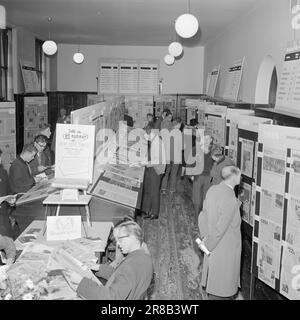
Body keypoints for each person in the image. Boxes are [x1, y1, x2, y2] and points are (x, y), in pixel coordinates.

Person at [65, 221, 154, 300]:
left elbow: (110, 297)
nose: (118, 244)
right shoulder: (143, 257)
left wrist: (81, 282)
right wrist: (97, 267)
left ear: (132, 237)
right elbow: (119, 275)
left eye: (120, 239)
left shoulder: (130, 266)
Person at [198, 166, 242, 300]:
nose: (241, 178)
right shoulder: (231, 200)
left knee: (213, 282)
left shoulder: (212, 190)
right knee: (222, 291)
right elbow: (220, 229)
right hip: (224, 251)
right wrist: (208, 245)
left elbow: (202, 215)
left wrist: (205, 237)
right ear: (233, 177)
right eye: (239, 175)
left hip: (211, 243)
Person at [186, 133, 214, 216]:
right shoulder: (195, 150)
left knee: (206, 198)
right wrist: (190, 176)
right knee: (197, 199)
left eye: (208, 141)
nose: (206, 142)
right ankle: (198, 217)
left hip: (208, 177)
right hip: (197, 177)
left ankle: (203, 217)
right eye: (205, 140)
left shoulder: (212, 151)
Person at [141, 128, 166, 220]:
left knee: (154, 191)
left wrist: (145, 163)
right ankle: (147, 210)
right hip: (153, 168)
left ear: (152, 134)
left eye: (147, 135)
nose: (146, 138)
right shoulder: (154, 140)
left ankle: (155, 213)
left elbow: (157, 160)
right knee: (149, 189)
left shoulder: (157, 143)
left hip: (156, 170)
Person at [160, 117, 183, 198]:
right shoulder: (179, 133)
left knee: (166, 174)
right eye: (180, 124)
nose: (180, 125)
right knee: (173, 174)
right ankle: (172, 190)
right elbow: (181, 147)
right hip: (176, 157)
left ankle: (163, 189)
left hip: (167, 156)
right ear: (178, 124)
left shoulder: (167, 131)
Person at [0, 150, 16, 238]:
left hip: (4, 215)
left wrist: (11, 199)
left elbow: (8, 190)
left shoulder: (3, 173)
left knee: (9, 240)